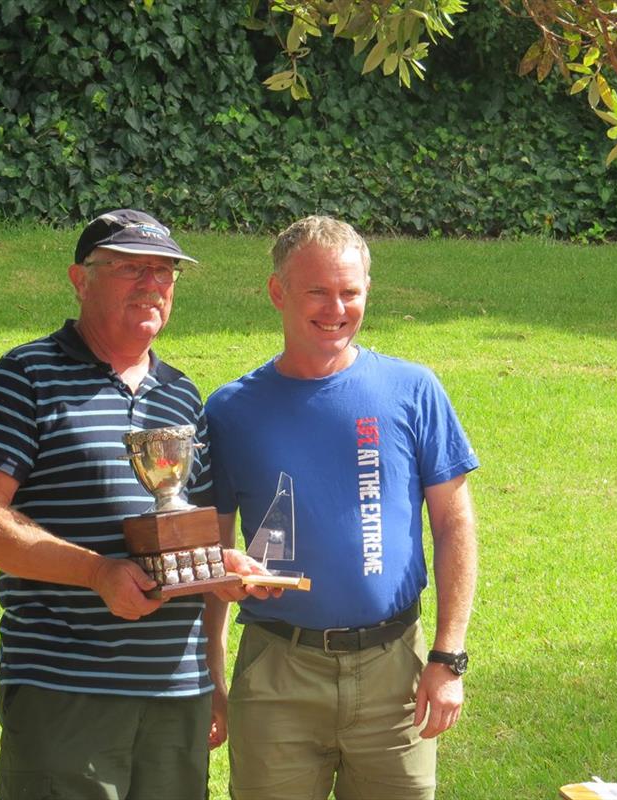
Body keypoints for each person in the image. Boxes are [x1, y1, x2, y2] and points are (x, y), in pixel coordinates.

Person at [0, 209, 264, 800]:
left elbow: (178, 532)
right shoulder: (25, 376)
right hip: (67, 691)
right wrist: (96, 572)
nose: (152, 284)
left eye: (165, 271)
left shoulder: (182, 394)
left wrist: (218, 569)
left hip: (176, 691)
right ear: (80, 277)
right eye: (129, 269)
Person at [205, 215, 479, 800]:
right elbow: (211, 554)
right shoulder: (230, 410)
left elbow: (454, 528)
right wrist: (212, 678)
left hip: (396, 673)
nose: (337, 308)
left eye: (350, 292)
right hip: (278, 671)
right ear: (277, 291)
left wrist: (448, 660)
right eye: (317, 291)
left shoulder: (412, 389)